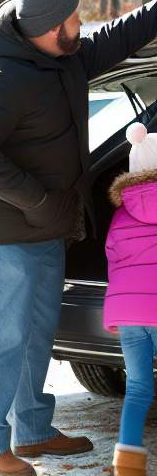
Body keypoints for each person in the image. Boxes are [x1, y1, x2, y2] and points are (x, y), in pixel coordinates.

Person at [0, 0, 157, 476]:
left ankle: (35, 430)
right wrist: (38, 198)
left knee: (37, 333)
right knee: (7, 337)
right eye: (74, 20)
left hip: (47, 226)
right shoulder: (0, 75)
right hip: (11, 232)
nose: (82, 25)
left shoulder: (65, 56)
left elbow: (123, 33)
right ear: (48, 27)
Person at [103, 121, 157, 476]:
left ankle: (127, 465)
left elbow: (111, 257)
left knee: (138, 388)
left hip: (128, 311)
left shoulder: (121, 214)